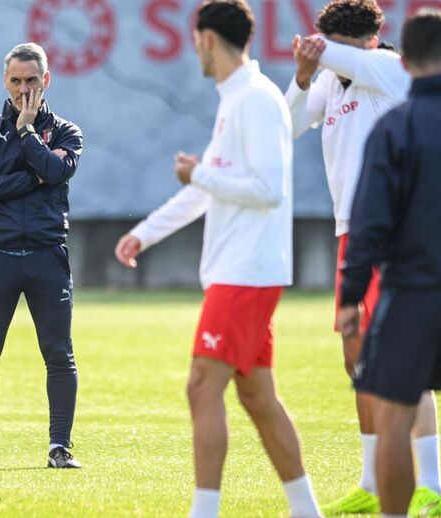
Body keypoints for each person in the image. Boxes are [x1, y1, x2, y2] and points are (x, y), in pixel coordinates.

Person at [114, 1, 320, 516]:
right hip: (241, 271)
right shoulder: (238, 98)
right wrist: (144, 233)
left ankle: (203, 512)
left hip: (246, 273)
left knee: (201, 386)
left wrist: (199, 175)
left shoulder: (253, 98)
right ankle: (306, 509)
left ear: (206, 38)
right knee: (256, 397)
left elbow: (267, 190)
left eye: (195, 40)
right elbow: (208, 191)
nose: (195, 50)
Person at [285, 0, 441, 514]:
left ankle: (433, 488)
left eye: (339, 47)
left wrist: (322, 52)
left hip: (392, 236)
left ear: (370, 42)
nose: (332, 57)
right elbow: (284, 129)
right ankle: (373, 483)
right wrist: (304, 75)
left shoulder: (388, 68)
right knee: (359, 361)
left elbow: (352, 61)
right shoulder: (332, 79)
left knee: (405, 359)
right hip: (349, 234)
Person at [339, 8, 441, 517]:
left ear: (403, 61)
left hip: (412, 292)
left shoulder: (394, 127)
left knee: (392, 415)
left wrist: (350, 297)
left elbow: (368, 222)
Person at [0, 42, 83, 469]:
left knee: (58, 353)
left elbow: (56, 171)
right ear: (5, 81)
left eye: (31, 80)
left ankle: (59, 447)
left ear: (46, 80)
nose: (23, 89)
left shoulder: (66, 132)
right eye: (16, 80)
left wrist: (28, 133)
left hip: (47, 255)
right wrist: (32, 178)